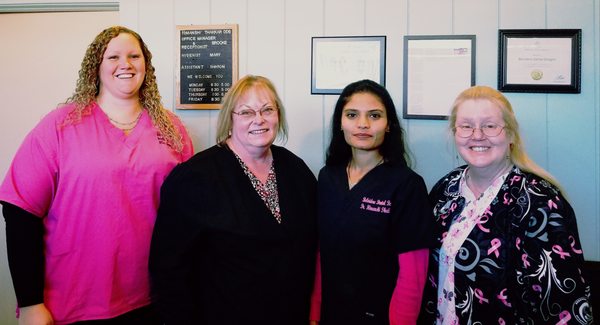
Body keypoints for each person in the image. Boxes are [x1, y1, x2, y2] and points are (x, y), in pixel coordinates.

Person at [0, 26, 194, 324]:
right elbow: (20, 211)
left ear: (146, 65)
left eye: (134, 56)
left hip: (154, 298)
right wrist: (30, 302)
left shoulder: (171, 129)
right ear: (96, 66)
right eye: (113, 56)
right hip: (75, 302)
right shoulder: (60, 126)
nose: (125, 64)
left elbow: (188, 215)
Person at [149, 74, 318, 325]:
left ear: (278, 116)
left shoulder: (296, 169)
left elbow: (312, 246)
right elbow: (169, 268)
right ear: (230, 119)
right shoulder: (194, 178)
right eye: (247, 112)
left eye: (267, 110)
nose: (259, 119)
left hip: (290, 314)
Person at [418, 85, 594, 324]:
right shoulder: (445, 189)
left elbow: (564, 305)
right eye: (466, 126)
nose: (477, 135)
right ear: (454, 133)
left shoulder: (541, 203)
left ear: (510, 134)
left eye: (490, 126)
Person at [310, 79, 435, 325]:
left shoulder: (407, 185)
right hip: (331, 314)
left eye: (375, 115)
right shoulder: (328, 177)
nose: (363, 124)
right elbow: (320, 253)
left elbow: (414, 274)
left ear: (388, 125)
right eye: (352, 114)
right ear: (340, 123)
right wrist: (315, 313)